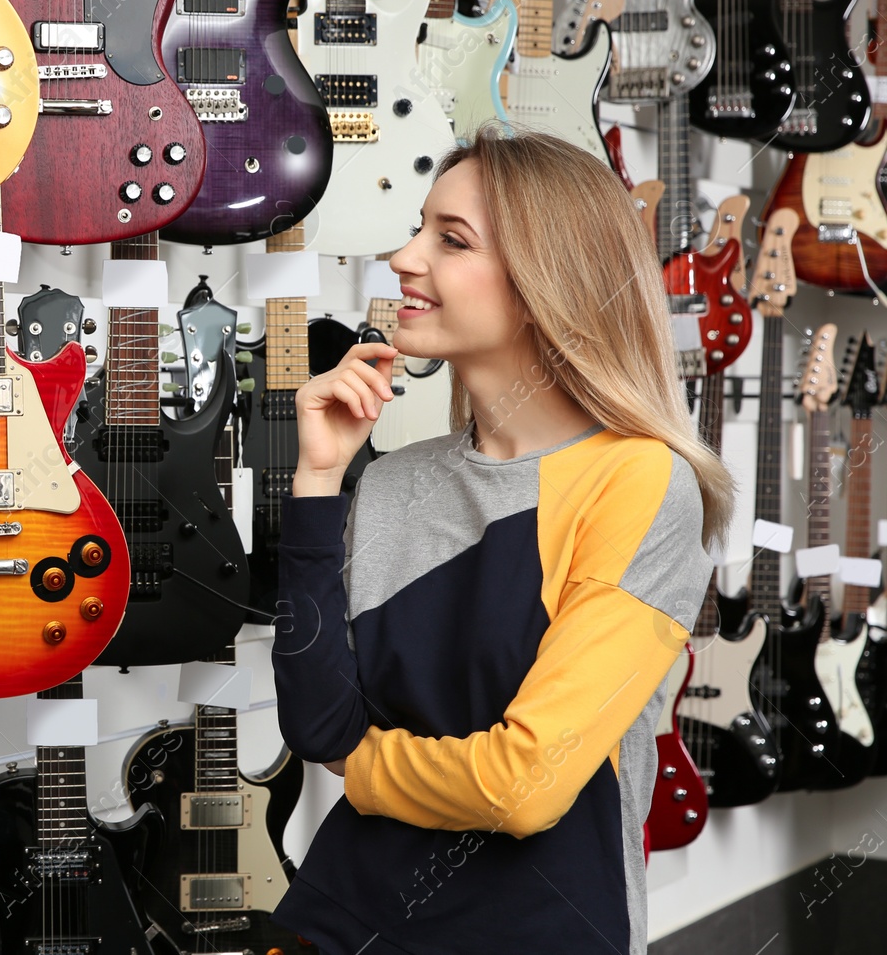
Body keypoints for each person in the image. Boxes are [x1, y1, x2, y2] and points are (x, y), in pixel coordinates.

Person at [270, 127, 734, 955]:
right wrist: (316, 483)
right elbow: (315, 728)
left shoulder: (640, 482)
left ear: (541, 282)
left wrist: (362, 768)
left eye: (450, 240)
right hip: (339, 921)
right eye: (419, 229)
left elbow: (526, 785)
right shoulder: (390, 480)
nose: (405, 257)